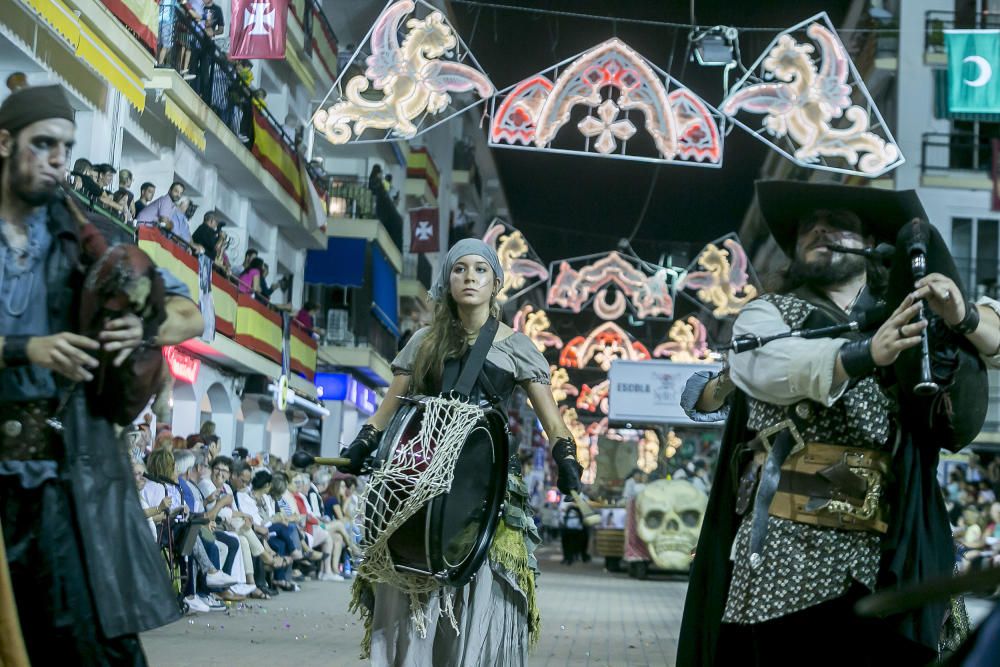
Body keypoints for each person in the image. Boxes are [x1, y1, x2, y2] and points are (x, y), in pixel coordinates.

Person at [677, 181, 990, 667]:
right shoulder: (767, 314)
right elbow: (767, 363)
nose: (819, 230)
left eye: (838, 222)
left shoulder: (905, 314)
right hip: (785, 554)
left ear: (871, 243)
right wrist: (866, 352)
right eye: (809, 227)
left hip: (885, 556)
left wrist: (963, 314)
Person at [0, 84, 205, 663]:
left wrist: (142, 329)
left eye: (65, 145)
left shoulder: (93, 239)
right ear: (4, 143)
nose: (58, 158)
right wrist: (25, 348)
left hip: (73, 479)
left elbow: (190, 313)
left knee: (98, 651)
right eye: (42, 143)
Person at [340, 238, 583, 665]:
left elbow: (553, 422)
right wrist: (362, 444)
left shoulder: (517, 347)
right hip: (417, 485)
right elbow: (386, 412)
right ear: (447, 280)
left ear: (495, 283)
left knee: (482, 592)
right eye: (459, 269)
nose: (469, 277)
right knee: (407, 587)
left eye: (480, 270)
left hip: (486, 493)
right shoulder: (423, 343)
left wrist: (566, 459)